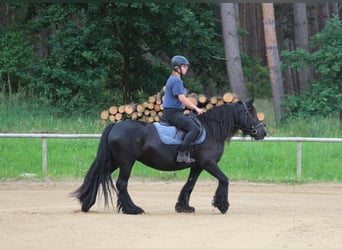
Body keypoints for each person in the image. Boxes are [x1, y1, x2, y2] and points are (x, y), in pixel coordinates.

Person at [162, 55, 204, 163]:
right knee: (194, 128)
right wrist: (196, 108)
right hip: (173, 113)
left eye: (186, 67)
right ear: (177, 68)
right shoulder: (176, 81)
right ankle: (181, 154)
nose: (186, 69)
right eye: (184, 66)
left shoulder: (173, 79)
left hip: (172, 112)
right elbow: (182, 98)